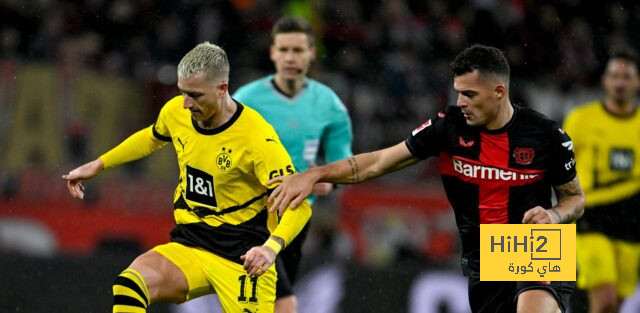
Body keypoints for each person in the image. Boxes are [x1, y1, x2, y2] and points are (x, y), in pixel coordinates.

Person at [267, 44, 585, 313]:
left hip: (535, 244)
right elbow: (378, 162)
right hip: (484, 253)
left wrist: (554, 215)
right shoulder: (448, 127)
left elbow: (575, 198)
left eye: (470, 94)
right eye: (458, 92)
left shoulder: (546, 135)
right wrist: (315, 174)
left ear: (499, 92)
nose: (460, 102)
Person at [62, 42, 311, 313]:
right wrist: (99, 165)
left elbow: (300, 207)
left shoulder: (257, 139)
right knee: (130, 284)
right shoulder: (177, 112)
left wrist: (271, 248)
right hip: (191, 244)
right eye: (182, 92)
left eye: (194, 95)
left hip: (242, 259)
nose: (186, 103)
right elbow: (151, 137)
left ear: (222, 89)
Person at [232, 16, 353, 313]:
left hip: (297, 217)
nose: (290, 57)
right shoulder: (246, 100)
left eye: (298, 50)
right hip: (251, 214)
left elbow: (344, 164)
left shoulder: (328, 103)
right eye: (283, 49)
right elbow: (222, 152)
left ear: (312, 53)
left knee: (270, 299)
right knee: (280, 300)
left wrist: (326, 181)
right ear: (272, 52)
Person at [564, 48, 640, 313]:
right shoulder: (581, 120)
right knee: (605, 298)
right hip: (591, 217)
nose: (620, 82)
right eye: (614, 76)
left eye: (626, 76)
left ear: (636, 82)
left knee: (614, 305)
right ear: (605, 81)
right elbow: (558, 165)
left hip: (632, 222)